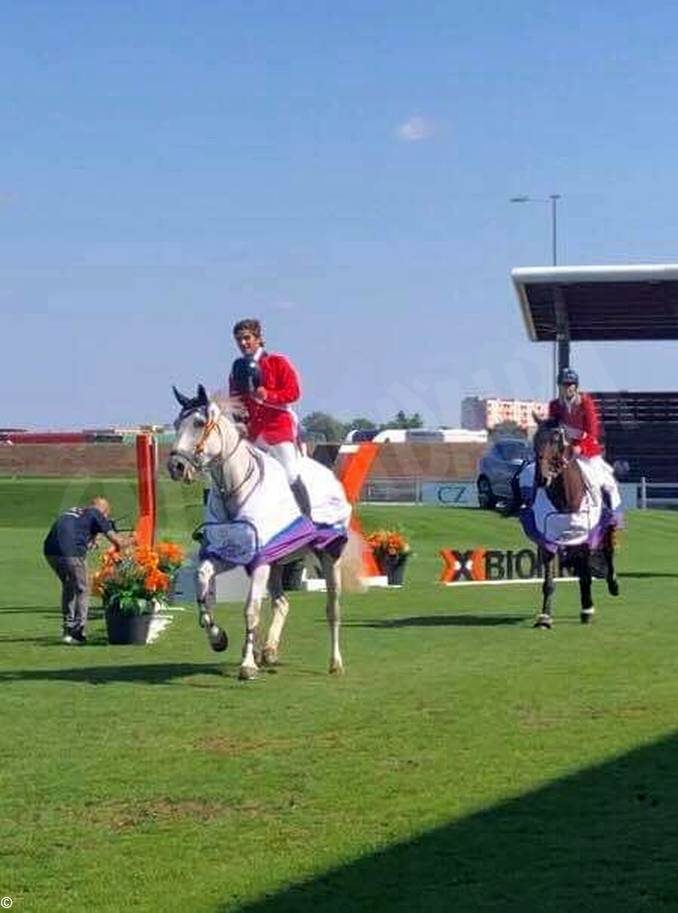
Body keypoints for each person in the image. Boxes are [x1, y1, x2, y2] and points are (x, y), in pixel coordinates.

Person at [228, 317, 312, 514]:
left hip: (277, 430)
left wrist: (269, 395)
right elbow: (235, 401)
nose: (242, 343)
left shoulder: (277, 362)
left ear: (258, 338)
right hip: (252, 433)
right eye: (238, 339)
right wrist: (239, 422)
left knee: (290, 473)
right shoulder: (236, 370)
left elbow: (294, 393)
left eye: (247, 338)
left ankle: (308, 521)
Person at [43, 497, 125, 644]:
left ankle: (68, 628)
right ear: (104, 511)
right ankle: (77, 632)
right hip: (71, 552)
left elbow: (76, 530)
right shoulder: (97, 513)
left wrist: (91, 539)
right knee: (83, 589)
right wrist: (127, 543)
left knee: (69, 585)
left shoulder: (75, 511)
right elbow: (117, 541)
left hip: (50, 550)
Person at [547, 366, 621, 513]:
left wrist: (580, 448)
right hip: (564, 450)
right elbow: (552, 429)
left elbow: (592, 432)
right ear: (559, 386)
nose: (567, 388)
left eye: (570, 385)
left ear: (575, 386)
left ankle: (610, 512)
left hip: (586, 450)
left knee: (602, 483)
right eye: (564, 384)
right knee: (543, 474)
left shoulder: (585, 403)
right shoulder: (554, 405)